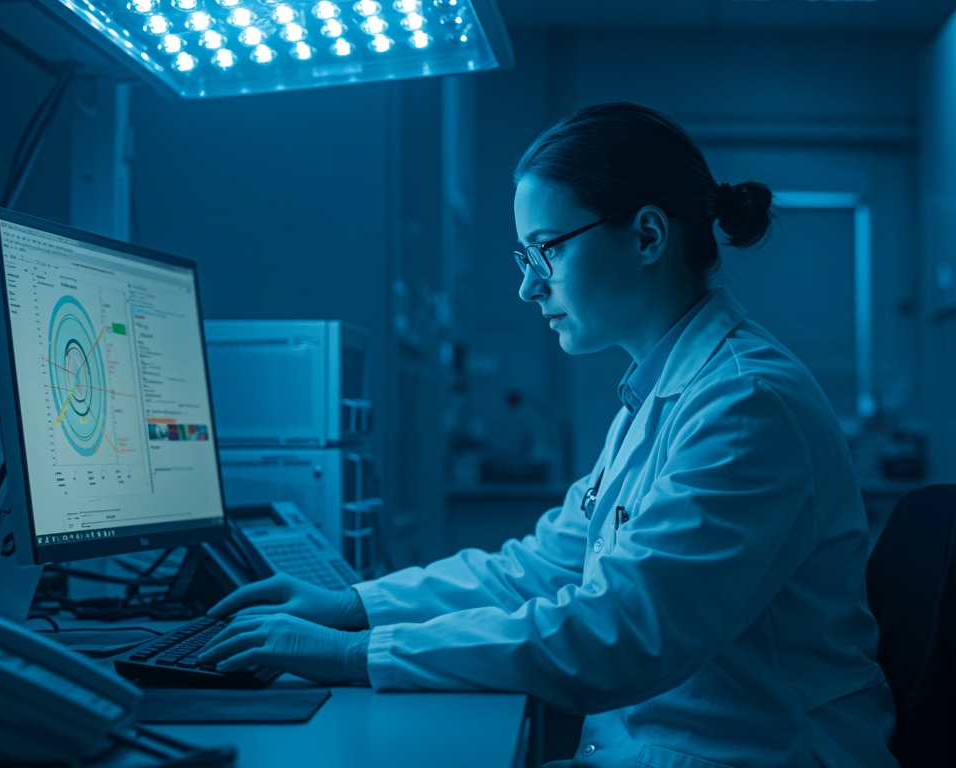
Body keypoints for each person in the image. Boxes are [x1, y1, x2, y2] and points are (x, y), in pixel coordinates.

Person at [198, 102, 899, 768]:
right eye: (524, 258)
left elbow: (621, 633)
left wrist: (359, 654)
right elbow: (541, 567)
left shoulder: (746, 403)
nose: (531, 289)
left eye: (547, 252)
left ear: (648, 236)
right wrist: (355, 607)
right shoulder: (660, 391)